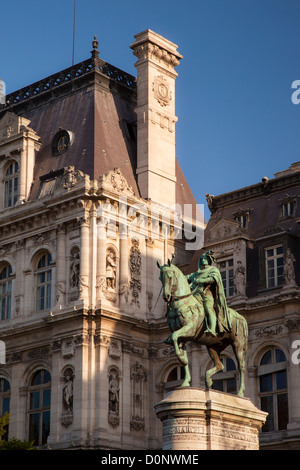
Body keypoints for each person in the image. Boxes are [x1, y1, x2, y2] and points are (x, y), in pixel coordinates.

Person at [186, 250, 231, 336]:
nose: (203, 260)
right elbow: (186, 278)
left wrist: (201, 280)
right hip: (195, 295)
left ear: (209, 259)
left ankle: (213, 329)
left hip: (206, 293)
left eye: (205, 258)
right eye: (202, 258)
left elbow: (213, 279)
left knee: (208, 307)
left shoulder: (213, 269)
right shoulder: (196, 273)